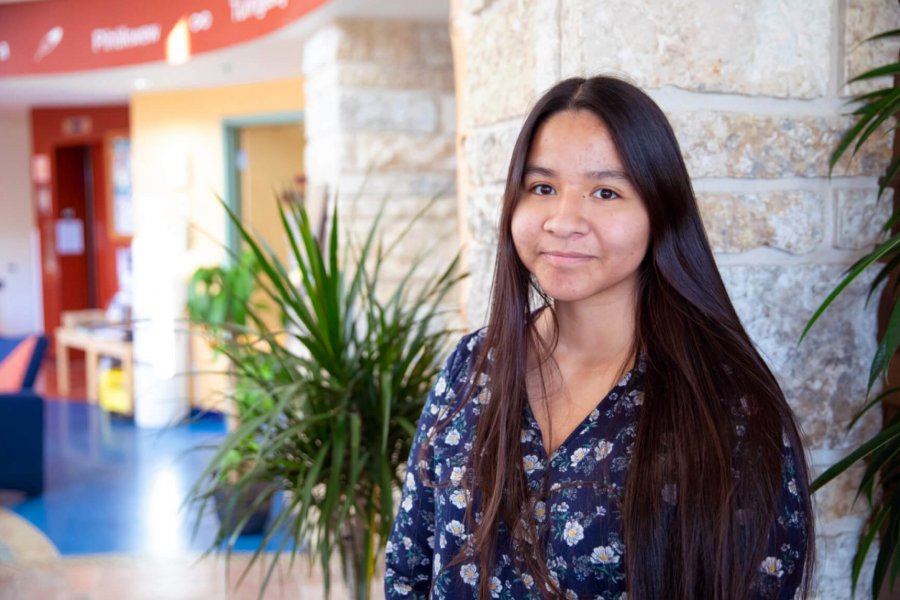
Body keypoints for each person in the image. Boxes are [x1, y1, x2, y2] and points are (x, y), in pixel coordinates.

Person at [384, 76, 814, 600]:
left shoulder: (725, 407)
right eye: (543, 188)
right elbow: (407, 572)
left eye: (605, 192)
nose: (563, 221)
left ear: (660, 210)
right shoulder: (472, 365)